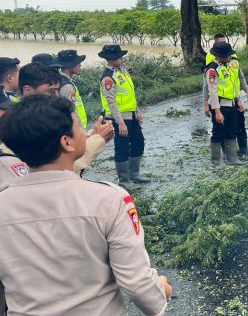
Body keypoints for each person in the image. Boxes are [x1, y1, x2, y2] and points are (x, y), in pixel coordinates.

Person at [0, 95, 172, 315]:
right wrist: (161, 290)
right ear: (67, 142)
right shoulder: (109, 200)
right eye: (79, 127)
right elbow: (137, 283)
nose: (85, 132)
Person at [14, 63, 114, 178]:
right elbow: (60, 167)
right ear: (28, 91)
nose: (56, 96)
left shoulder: (42, 117)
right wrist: (98, 139)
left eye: (57, 91)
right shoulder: (26, 124)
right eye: (51, 91)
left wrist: (94, 133)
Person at [99, 45, 150, 188]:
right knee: (122, 147)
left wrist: (137, 111)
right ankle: (124, 181)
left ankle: (134, 174)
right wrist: (120, 122)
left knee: (139, 142)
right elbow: (111, 102)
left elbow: (130, 94)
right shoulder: (108, 78)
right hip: (119, 118)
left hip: (131, 115)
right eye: (119, 56)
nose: (122, 58)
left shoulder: (122, 72)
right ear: (111, 59)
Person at [204, 34, 248, 156]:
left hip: (233, 101)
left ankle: (237, 153)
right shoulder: (212, 68)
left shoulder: (232, 62)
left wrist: (240, 97)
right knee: (220, 132)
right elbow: (210, 89)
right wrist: (211, 108)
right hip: (220, 104)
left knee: (235, 128)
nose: (230, 56)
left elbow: (237, 79)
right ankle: (220, 158)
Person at [57, 49, 88, 128]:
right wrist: (80, 130)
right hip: (75, 128)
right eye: (78, 63)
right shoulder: (67, 86)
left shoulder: (62, 79)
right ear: (70, 66)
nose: (80, 65)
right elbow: (71, 111)